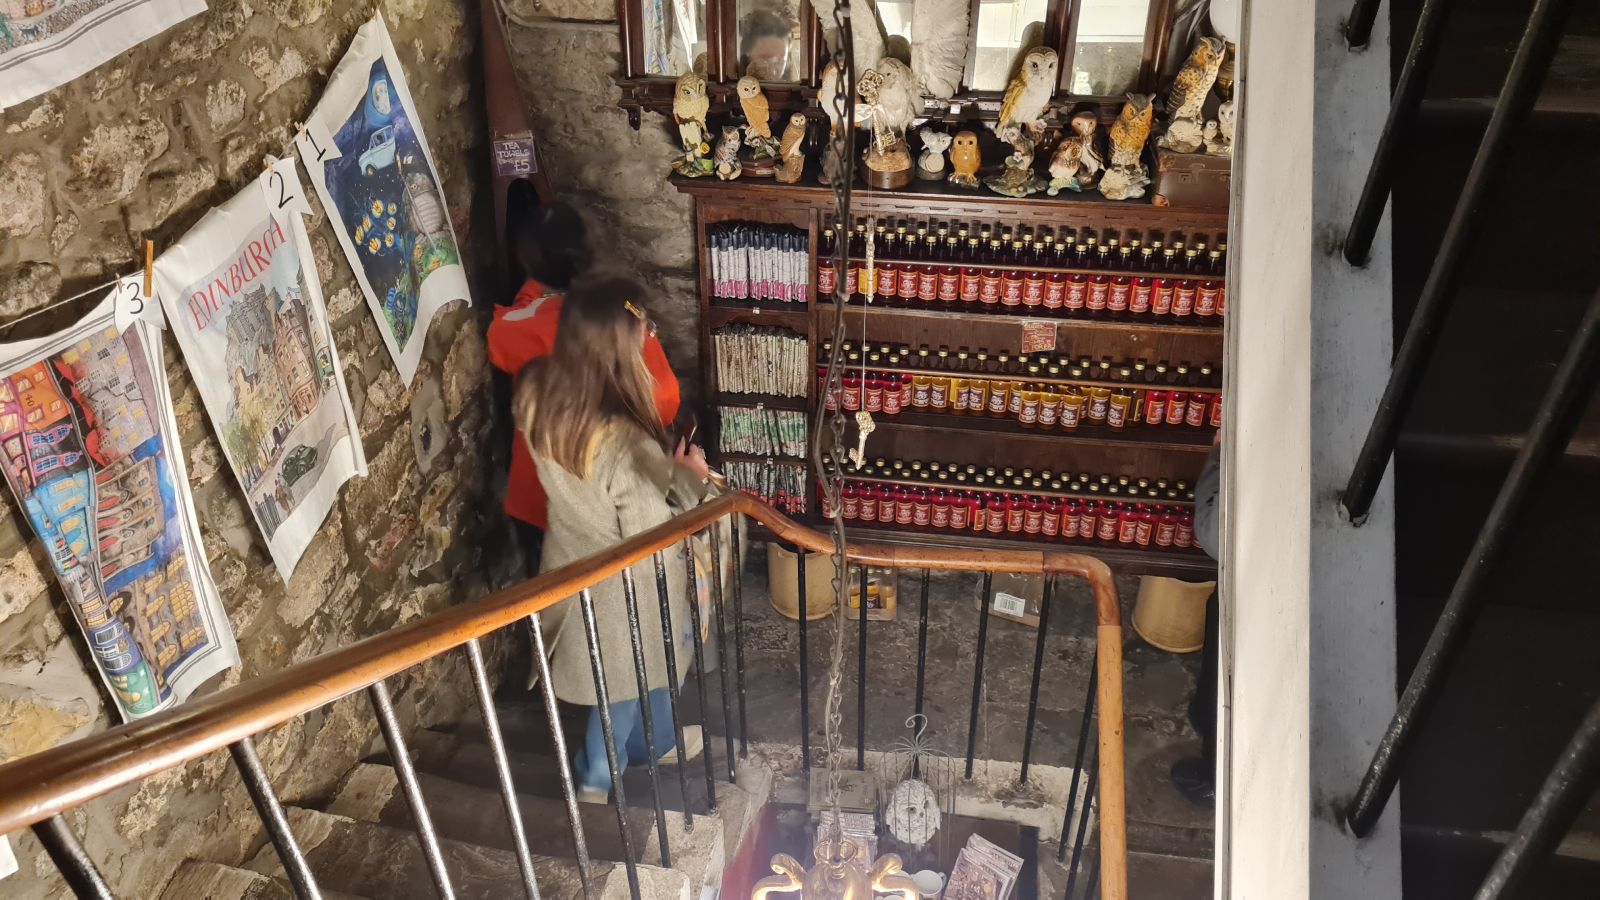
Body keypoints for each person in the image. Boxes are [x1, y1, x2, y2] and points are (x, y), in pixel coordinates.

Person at [513, 274, 709, 803]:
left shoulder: (537, 391)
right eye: (641, 333)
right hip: (630, 588)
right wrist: (689, 475)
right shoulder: (625, 444)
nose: (650, 338)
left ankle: (660, 742)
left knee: (652, 667)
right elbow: (656, 536)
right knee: (623, 684)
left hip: (573, 563)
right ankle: (597, 776)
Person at [487, 201, 682, 568]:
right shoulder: (623, 316)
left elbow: (499, 338)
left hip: (543, 501)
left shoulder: (530, 320)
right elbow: (666, 398)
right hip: (614, 509)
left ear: (532, 265)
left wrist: (534, 293)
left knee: (549, 586)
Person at [1171, 433, 1221, 806]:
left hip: (1244, 612)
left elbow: (1211, 530)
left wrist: (1218, 451)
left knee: (1217, 688)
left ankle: (1215, 779)